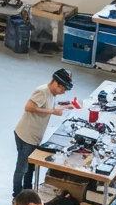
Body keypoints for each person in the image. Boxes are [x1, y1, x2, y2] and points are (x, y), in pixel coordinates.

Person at [12, 69, 73, 198]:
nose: (64, 92)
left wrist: (65, 106)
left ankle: (27, 190)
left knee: (31, 166)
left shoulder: (52, 94)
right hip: (26, 136)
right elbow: (28, 107)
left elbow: (47, 105)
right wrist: (52, 111)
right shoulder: (42, 91)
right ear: (56, 83)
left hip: (34, 137)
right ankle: (17, 194)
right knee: (22, 167)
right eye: (63, 88)